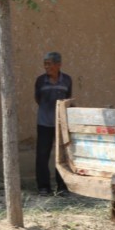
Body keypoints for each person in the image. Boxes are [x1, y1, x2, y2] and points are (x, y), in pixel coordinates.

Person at [35, 51, 73, 196]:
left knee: (62, 156)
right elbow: (37, 99)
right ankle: (43, 187)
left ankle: (62, 187)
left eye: (49, 64)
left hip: (60, 124)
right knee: (42, 155)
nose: (46, 67)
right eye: (45, 64)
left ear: (58, 65)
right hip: (44, 123)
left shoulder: (67, 80)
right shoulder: (40, 81)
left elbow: (67, 99)